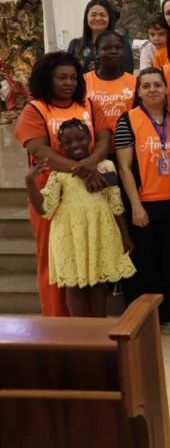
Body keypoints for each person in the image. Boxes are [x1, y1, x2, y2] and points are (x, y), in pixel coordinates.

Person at [15, 52, 112, 316]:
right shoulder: (35, 109)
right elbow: (39, 150)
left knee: (91, 260)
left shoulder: (89, 105)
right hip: (52, 197)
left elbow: (104, 139)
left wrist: (90, 164)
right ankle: (59, 328)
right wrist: (81, 170)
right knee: (57, 263)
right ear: (48, 79)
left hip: (90, 195)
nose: (68, 82)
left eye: (73, 77)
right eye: (61, 78)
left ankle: (93, 331)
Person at [25, 120, 135, 317]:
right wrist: (30, 182)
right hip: (70, 235)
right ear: (61, 146)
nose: (75, 145)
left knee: (99, 283)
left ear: (90, 139)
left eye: (80, 139)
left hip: (99, 231)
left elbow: (115, 203)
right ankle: (77, 330)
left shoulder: (106, 166)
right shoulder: (59, 174)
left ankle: (99, 326)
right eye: (68, 143)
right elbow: (44, 209)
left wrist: (124, 235)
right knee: (74, 285)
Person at [115, 67, 170, 326]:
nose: (152, 89)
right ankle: (143, 317)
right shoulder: (128, 119)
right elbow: (124, 167)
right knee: (145, 261)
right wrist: (135, 206)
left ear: (166, 88)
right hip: (143, 202)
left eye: (157, 84)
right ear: (138, 91)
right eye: (146, 86)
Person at [84, 30, 138, 126]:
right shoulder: (84, 81)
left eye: (118, 48)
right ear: (96, 52)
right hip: (93, 139)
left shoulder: (136, 82)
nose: (113, 51)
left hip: (124, 139)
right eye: (106, 48)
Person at [67, 0, 134, 73]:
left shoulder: (121, 45)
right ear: (86, 18)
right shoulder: (75, 45)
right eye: (93, 15)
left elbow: (128, 75)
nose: (98, 18)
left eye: (102, 15)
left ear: (109, 18)